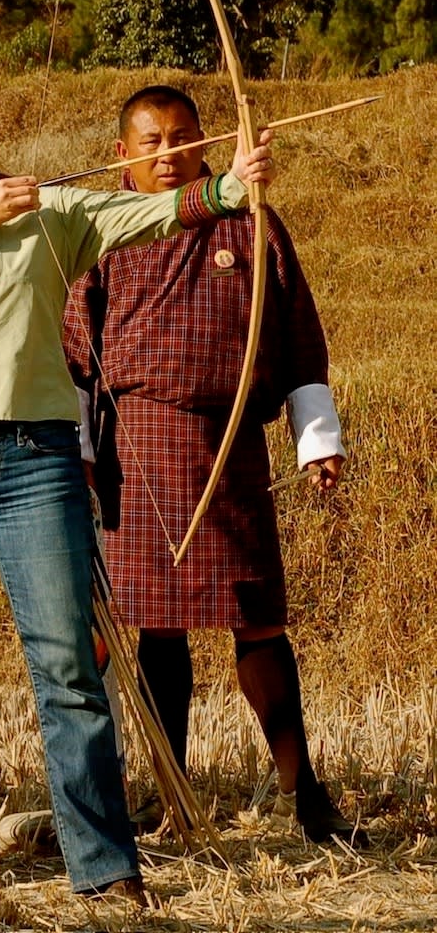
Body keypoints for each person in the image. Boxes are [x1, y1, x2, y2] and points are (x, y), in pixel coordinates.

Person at [0, 72, 274, 898]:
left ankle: (105, 865)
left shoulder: (56, 212)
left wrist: (225, 188)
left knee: (71, 668)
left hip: (38, 464)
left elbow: (149, 211)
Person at [63, 84, 366, 846]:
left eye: (183, 136)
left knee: (259, 620)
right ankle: (169, 796)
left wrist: (315, 436)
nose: (170, 154)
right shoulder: (99, 229)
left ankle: (305, 794)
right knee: (159, 628)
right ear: (122, 151)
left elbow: (297, 333)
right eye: (152, 140)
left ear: (206, 139)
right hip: (140, 442)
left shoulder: (251, 221)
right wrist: (82, 449)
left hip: (231, 443)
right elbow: (70, 354)